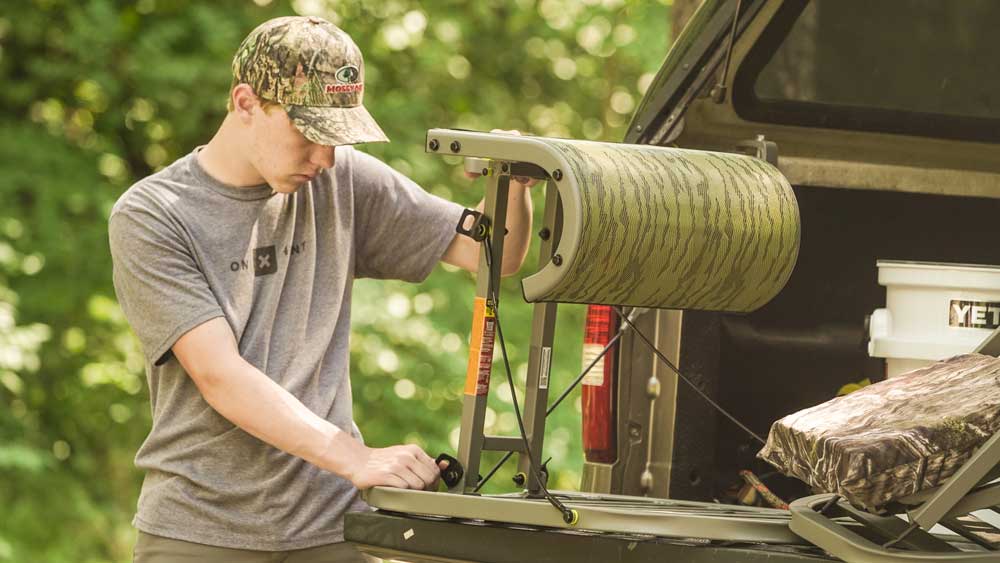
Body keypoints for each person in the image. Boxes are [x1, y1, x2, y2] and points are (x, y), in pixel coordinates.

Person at [108, 15, 533, 562]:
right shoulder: (153, 215)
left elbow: (492, 256)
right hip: (200, 532)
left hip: (331, 529)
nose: (325, 157)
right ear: (245, 103)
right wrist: (355, 457)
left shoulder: (343, 181)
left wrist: (512, 186)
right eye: (309, 133)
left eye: (337, 137)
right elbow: (219, 374)